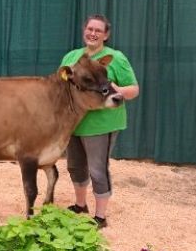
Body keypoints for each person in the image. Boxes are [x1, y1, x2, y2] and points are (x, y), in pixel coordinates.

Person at [60, 14, 139, 228]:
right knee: (75, 166)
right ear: (84, 30)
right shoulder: (71, 57)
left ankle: (100, 216)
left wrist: (116, 90)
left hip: (102, 124)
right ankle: (80, 205)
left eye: (98, 30)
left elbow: (133, 89)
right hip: (74, 123)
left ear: (106, 35)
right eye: (90, 29)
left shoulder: (116, 58)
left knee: (97, 169)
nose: (93, 33)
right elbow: (61, 87)